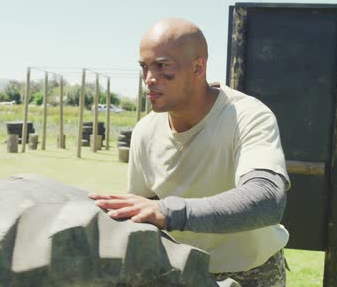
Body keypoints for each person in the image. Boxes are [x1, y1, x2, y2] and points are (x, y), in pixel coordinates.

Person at [89, 18, 290, 286]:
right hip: (181, 273)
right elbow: (145, 213)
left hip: (253, 272)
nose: (149, 79)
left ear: (198, 67)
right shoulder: (144, 133)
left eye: (162, 67)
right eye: (144, 67)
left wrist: (170, 212)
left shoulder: (247, 117)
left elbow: (266, 199)